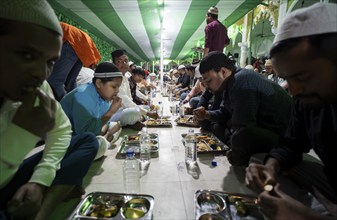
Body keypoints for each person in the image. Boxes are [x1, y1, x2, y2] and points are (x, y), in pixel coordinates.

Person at [0, 1, 98, 219]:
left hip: (10, 172)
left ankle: (42, 211)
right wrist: (21, 134)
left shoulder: (37, 86)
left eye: (50, 62)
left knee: (87, 141)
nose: (40, 73)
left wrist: (39, 181)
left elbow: (62, 130)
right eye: (27, 55)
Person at [245, 3, 337, 219]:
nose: (293, 91)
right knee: (260, 161)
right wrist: (271, 167)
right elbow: (291, 144)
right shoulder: (308, 100)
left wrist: (305, 217)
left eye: (302, 77)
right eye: (287, 79)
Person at [195, 51, 294, 166]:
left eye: (208, 81)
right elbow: (225, 112)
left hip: (282, 136)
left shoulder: (242, 81)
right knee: (213, 124)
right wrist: (206, 114)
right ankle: (234, 146)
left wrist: (235, 143)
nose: (206, 86)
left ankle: (239, 153)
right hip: (260, 128)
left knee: (239, 137)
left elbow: (244, 124)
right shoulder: (231, 83)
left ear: (223, 72)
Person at [60, 62, 123, 159]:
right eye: (114, 87)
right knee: (96, 145)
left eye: (118, 87)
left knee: (116, 125)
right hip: (63, 141)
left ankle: (106, 139)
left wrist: (106, 123)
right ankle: (106, 139)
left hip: (87, 133)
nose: (117, 91)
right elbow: (85, 134)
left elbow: (102, 123)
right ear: (98, 83)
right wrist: (110, 113)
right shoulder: (82, 95)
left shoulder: (104, 98)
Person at [47, 22, 101, 101]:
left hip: (73, 40)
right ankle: (75, 105)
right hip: (83, 43)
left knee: (55, 80)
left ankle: (66, 106)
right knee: (70, 82)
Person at [110, 49, 158, 130]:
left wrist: (145, 106)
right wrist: (147, 113)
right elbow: (125, 101)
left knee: (144, 108)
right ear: (114, 63)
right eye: (119, 61)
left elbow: (131, 97)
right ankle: (132, 122)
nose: (124, 64)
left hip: (126, 110)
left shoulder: (125, 77)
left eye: (125, 60)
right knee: (135, 112)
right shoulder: (114, 79)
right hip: (114, 113)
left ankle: (133, 122)